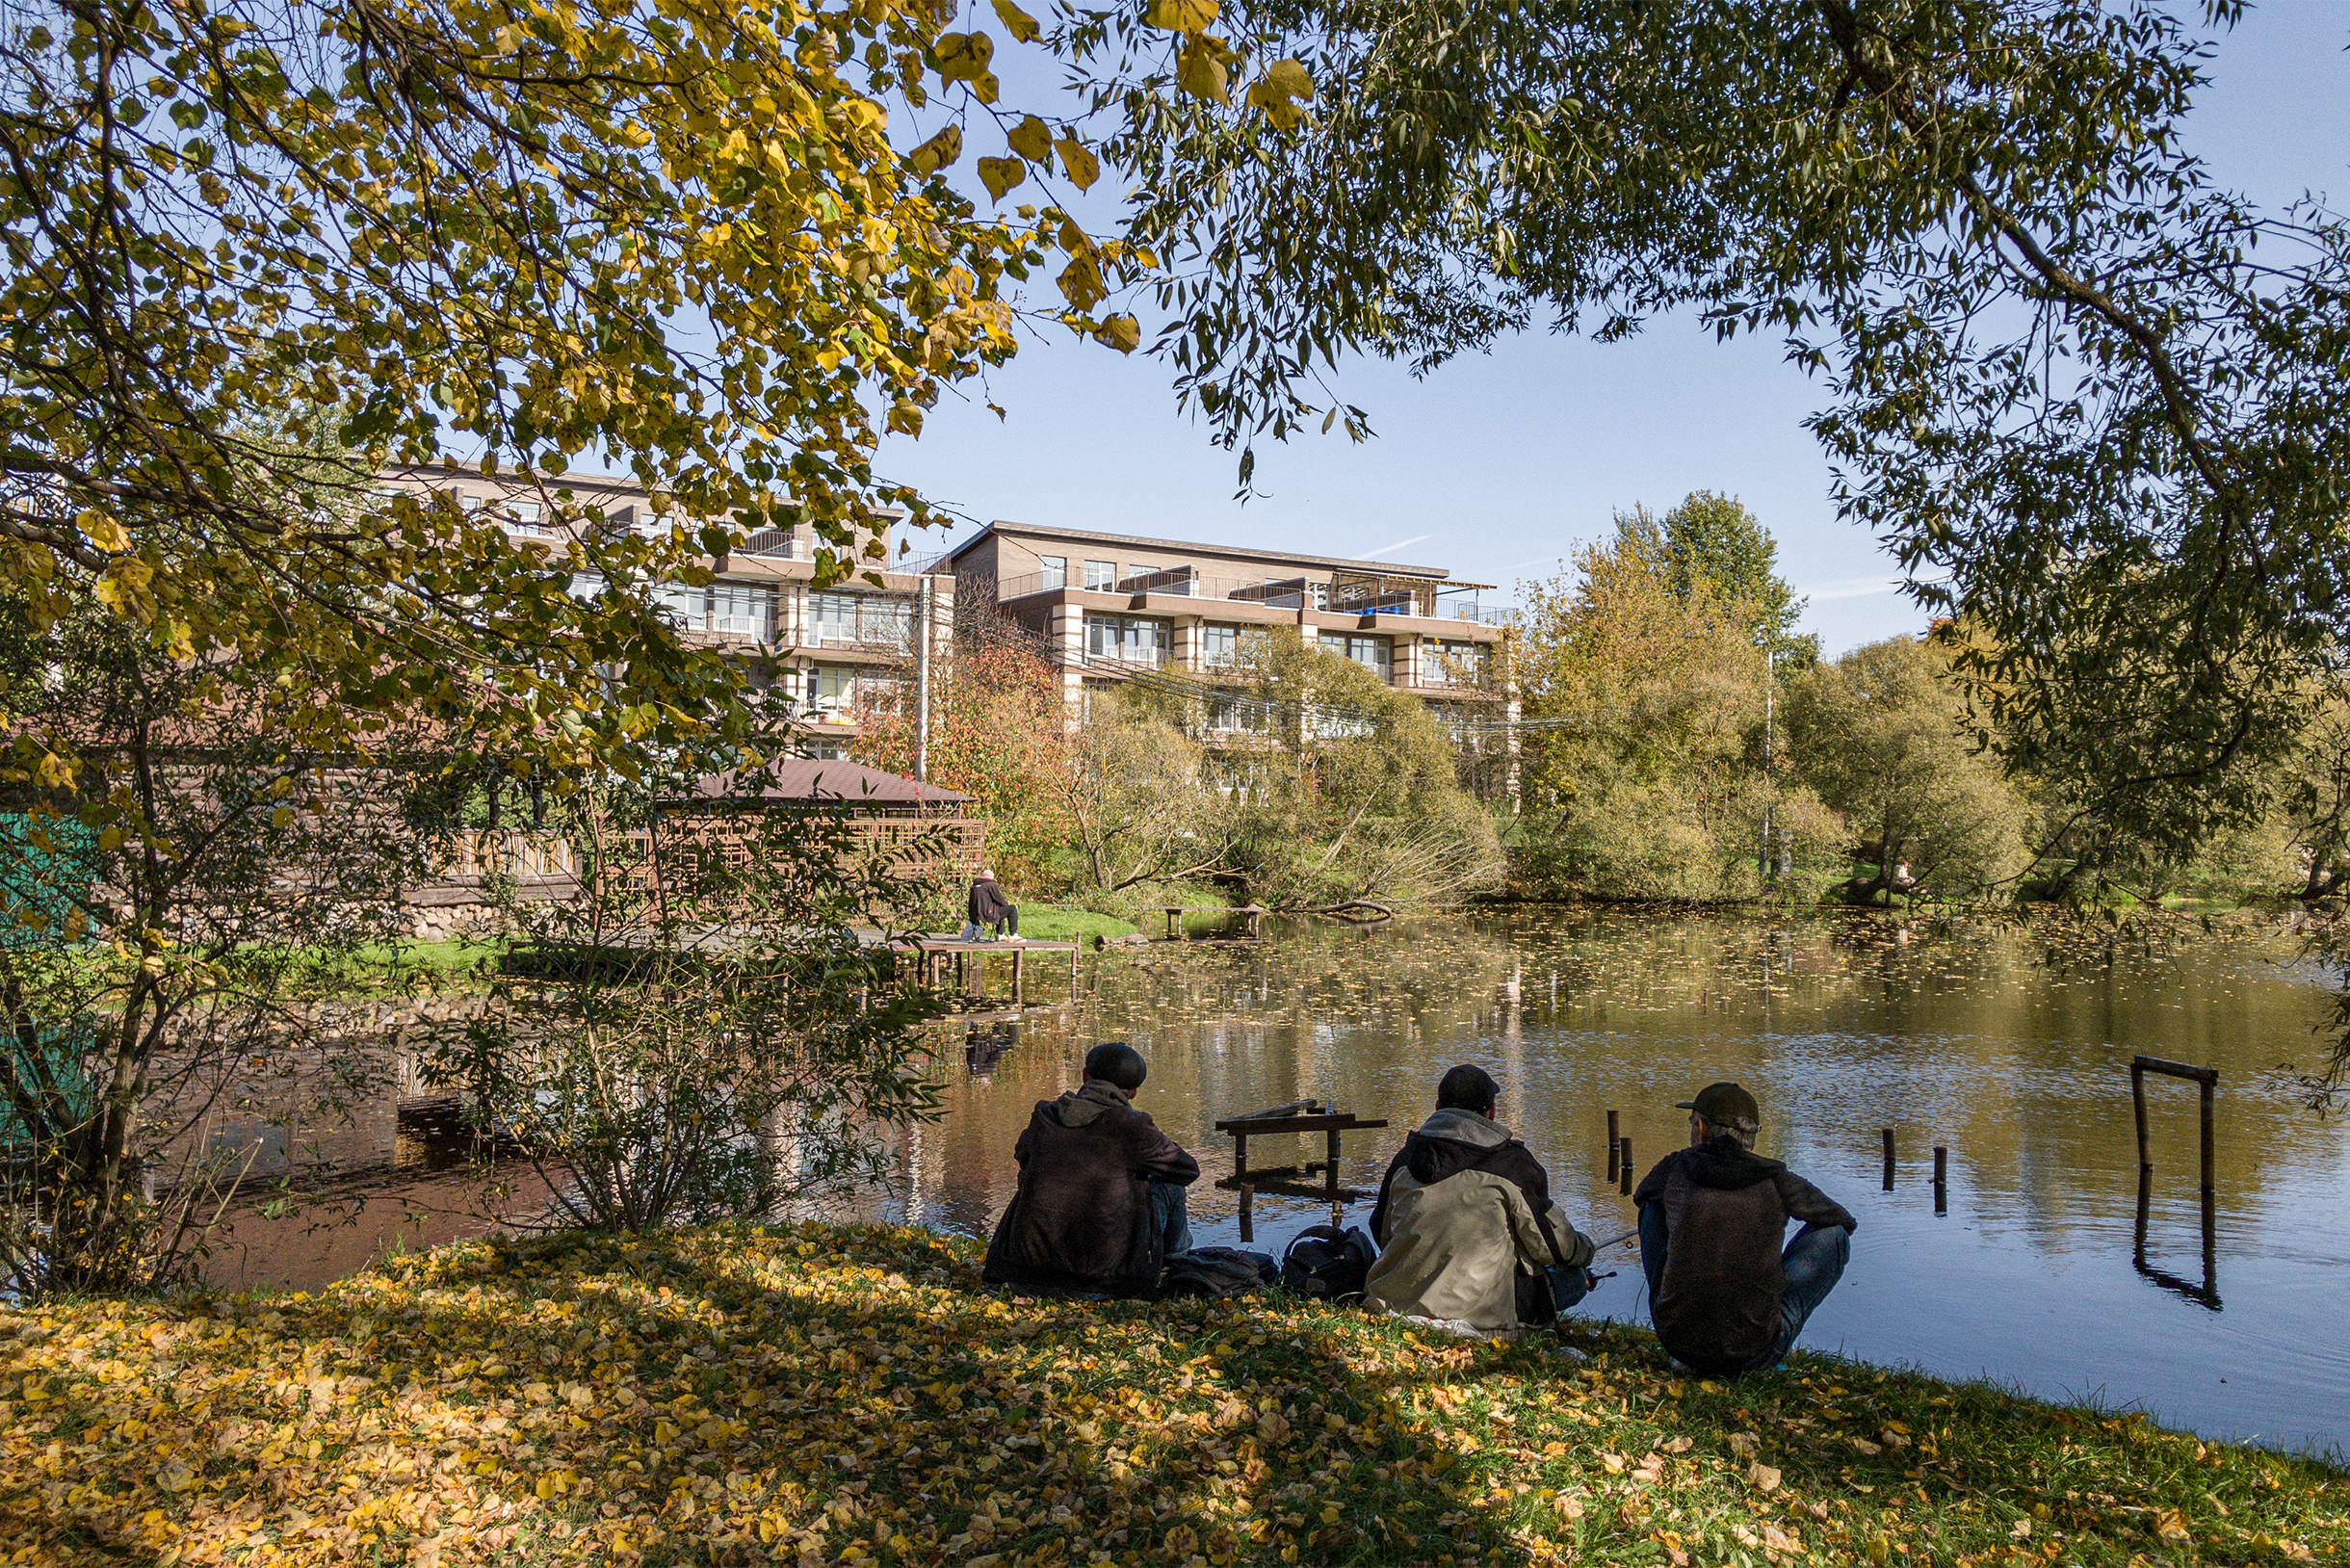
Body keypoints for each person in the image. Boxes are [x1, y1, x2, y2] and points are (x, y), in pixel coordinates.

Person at [1632, 1081, 1856, 1374]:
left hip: (1678, 1343)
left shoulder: (1675, 1167)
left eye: (1692, 1123)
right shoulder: (1776, 1177)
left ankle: (1681, 1317)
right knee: (1835, 1237)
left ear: (1701, 1129)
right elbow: (1841, 1220)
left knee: (1651, 1206)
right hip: (1753, 1354)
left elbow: (1642, 1197)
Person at [1365, 1064, 1596, 1334]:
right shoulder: (1513, 1164)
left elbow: (1382, 1233)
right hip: (1484, 1321)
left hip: (1394, 1306)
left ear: (1438, 1107)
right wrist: (1585, 1249)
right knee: (1575, 1278)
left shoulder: (1405, 1159)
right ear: (1491, 1113)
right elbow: (1556, 1249)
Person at [981, 1042, 1198, 1296]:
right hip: (1099, 1286)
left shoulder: (1046, 1115)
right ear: (1134, 1092)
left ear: (1085, 1075)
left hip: (1025, 1280)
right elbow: (1186, 1171)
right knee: (1168, 1184)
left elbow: (1022, 1156)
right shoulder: (1133, 1126)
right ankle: (1176, 1259)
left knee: (1030, 1173)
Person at [963, 867, 1019, 941]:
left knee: (999, 909)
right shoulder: (990, 884)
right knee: (1011, 909)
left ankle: (1000, 933)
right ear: (990, 877)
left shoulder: (974, 885)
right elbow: (998, 898)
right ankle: (1013, 934)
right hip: (986, 914)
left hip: (975, 915)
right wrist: (1006, 903)